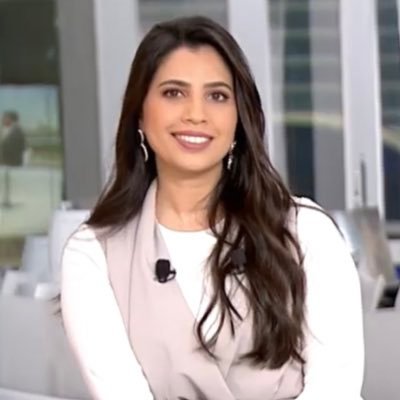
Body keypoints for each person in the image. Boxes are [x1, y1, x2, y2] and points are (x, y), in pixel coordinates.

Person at [61, 16, 364, 400]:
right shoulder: (92, 254)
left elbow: (335, 388)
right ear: (139, 113)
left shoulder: (307, 231)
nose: (196, 113)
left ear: (238, 119)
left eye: (217, 96)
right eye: (174, 93)